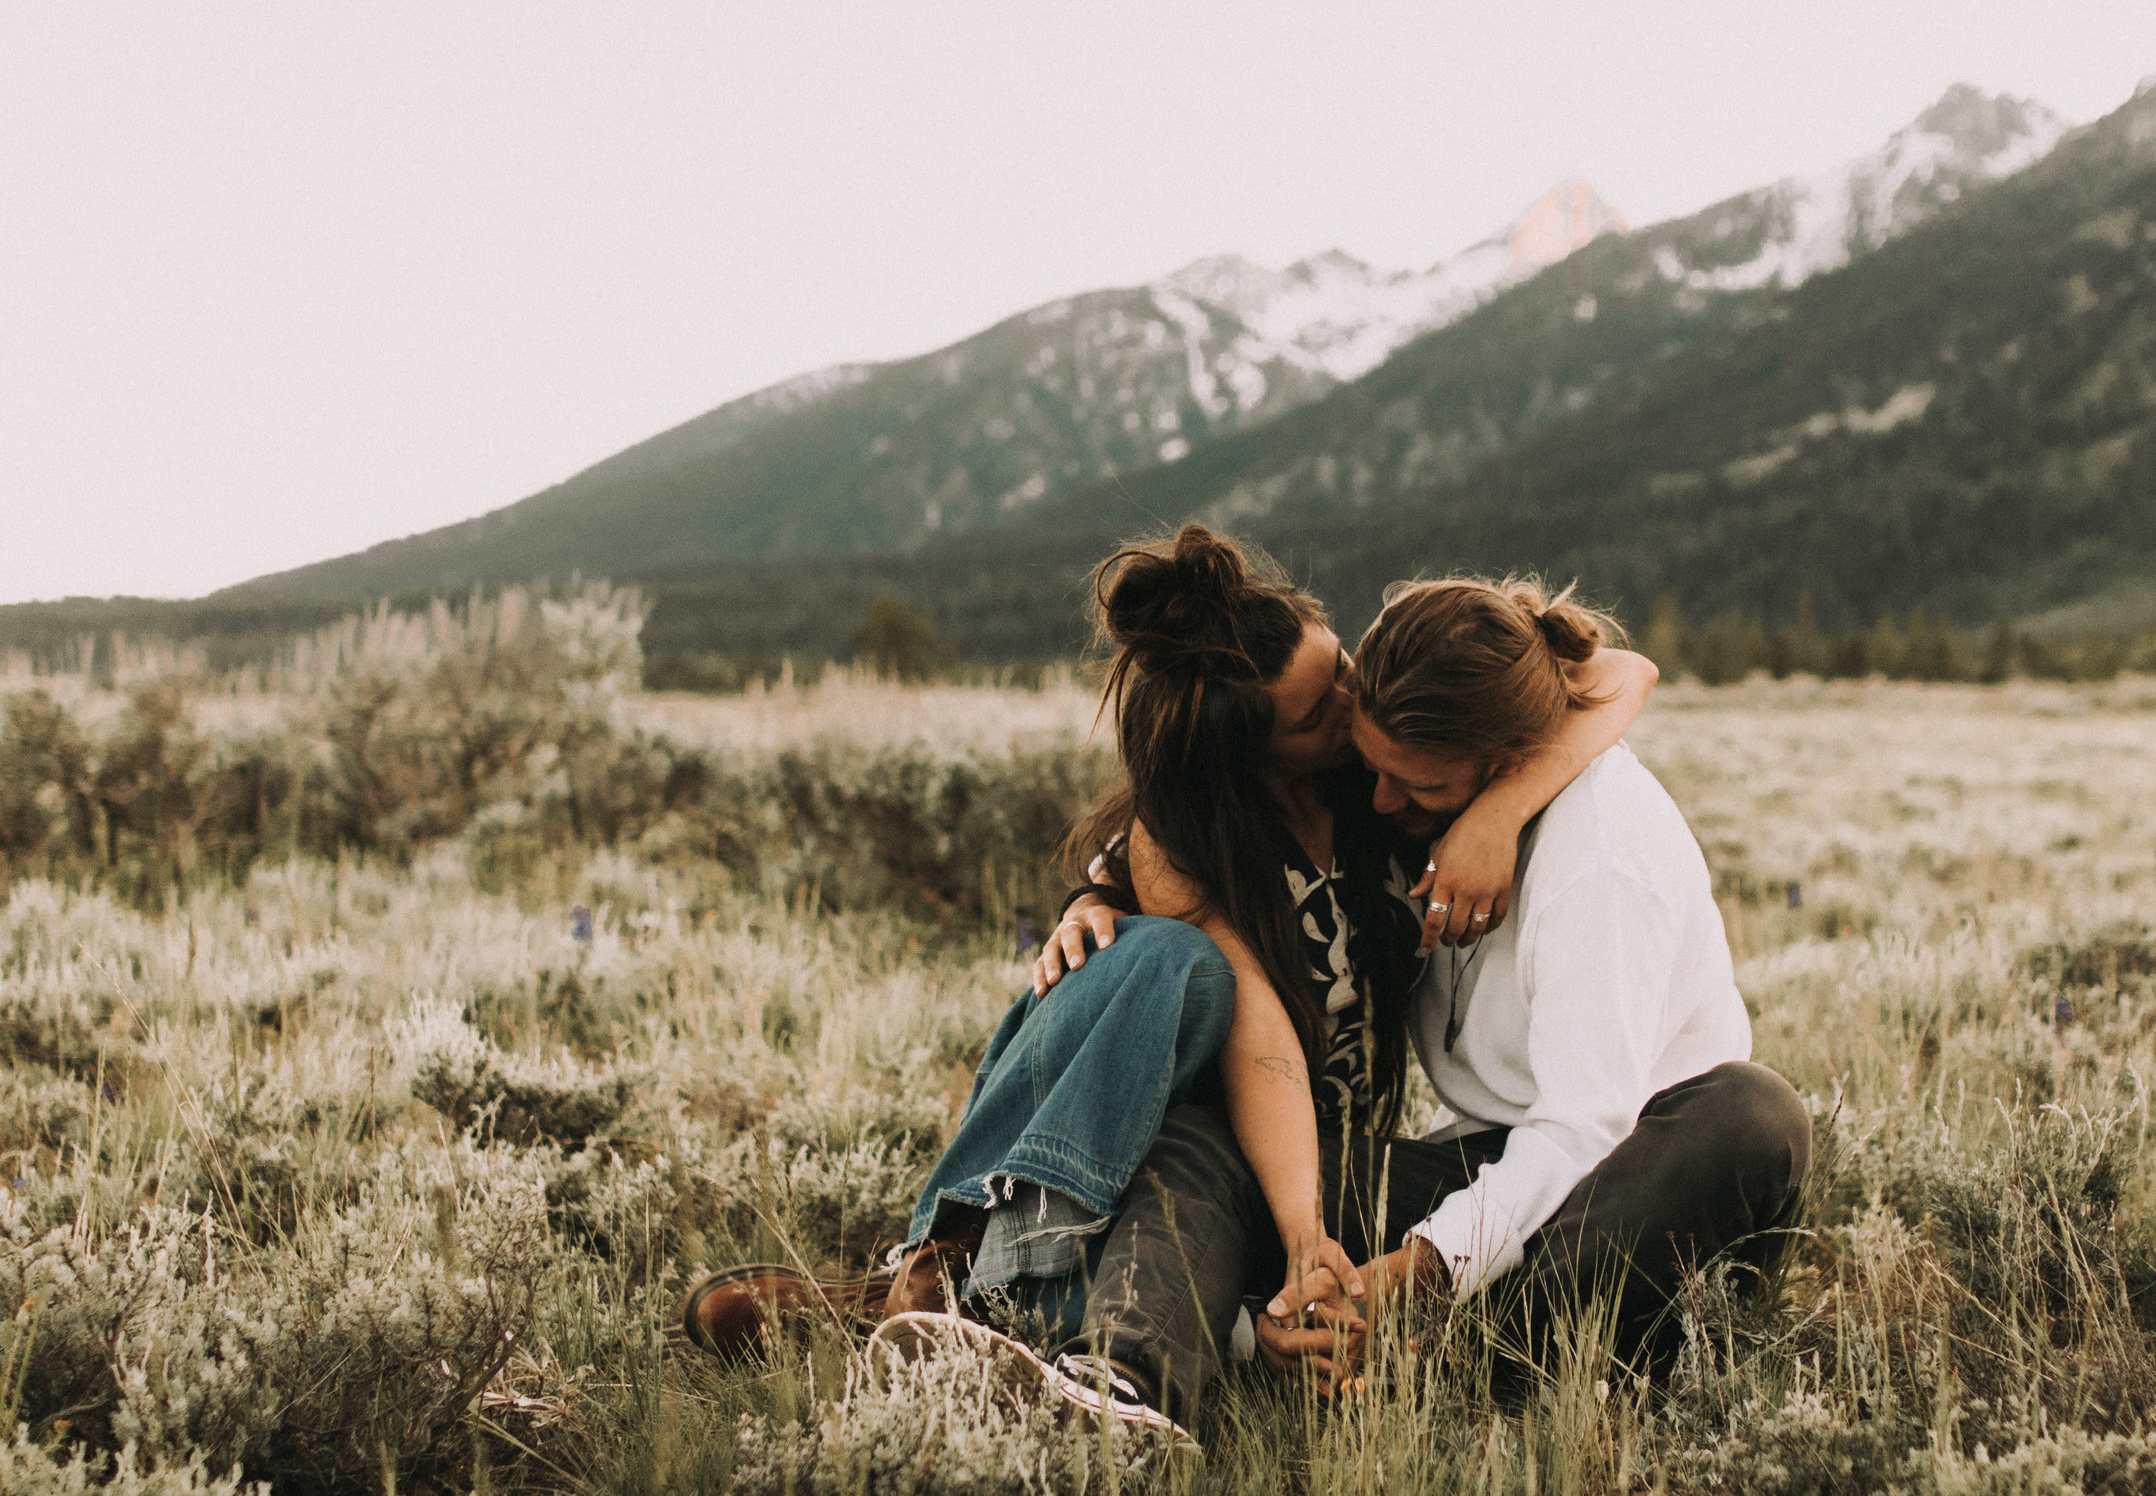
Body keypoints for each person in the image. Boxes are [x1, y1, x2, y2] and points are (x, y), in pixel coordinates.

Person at [682, 528, 1656, 1438]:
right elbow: (1262, 1039)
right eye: (1322, 710)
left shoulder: (1380, 777)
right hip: (1206, 1138)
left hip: (1321, 1151)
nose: (1356, 704)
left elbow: (1616, 668)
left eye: (1343, 668)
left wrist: (1506, 807)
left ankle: (952, 1316)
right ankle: (939, 1272)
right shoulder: (1192, 842)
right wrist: (1301, 1226)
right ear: (1248, 756)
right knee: (1168, 964)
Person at [1086, 574, 1812, 1411]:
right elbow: (1203, 821)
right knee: (1212, 1146)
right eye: (1373, 769)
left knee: (1755, 1114)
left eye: (1418, 786)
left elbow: (1583, 1128)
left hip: (1635, 1185)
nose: (1380, 799)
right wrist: (1097, 895)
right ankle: (1128, 1378)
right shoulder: (1415, 792)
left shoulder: (1603, 856)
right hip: (1491, 1163)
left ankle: (1447, 1353)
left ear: (1507, 764)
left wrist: (1416, 1270)